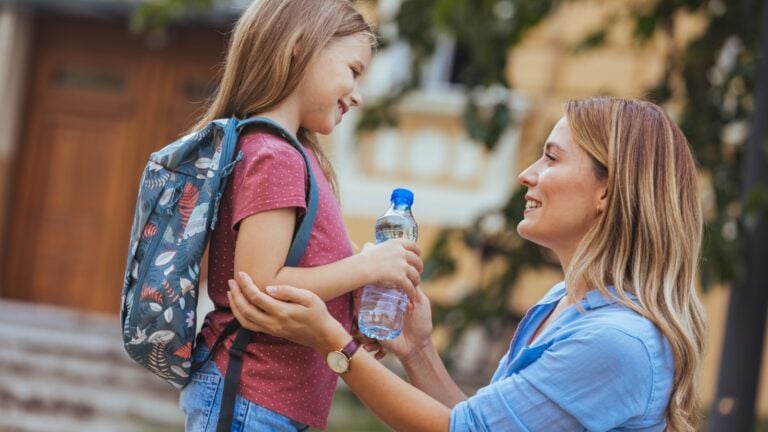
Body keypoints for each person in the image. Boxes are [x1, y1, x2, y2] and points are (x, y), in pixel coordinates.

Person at [227, 96, 708, 431]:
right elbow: (487, 422)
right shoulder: (562, 303)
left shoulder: (616, 341)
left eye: (551, 158)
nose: (528, 174)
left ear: (607, 190)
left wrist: (333, 342)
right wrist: (417, 350)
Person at [179, 1, 423, 431]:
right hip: (250, 395)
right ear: (299, 49)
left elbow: (298, 278)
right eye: (353, 70)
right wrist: (366, 265)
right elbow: (264, 285)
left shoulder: (296, 154)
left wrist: (351, 314)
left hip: (269, 400)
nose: (357, 94)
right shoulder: (275, 155)